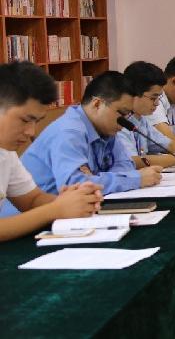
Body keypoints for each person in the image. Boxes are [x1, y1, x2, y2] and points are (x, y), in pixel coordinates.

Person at [0, 62, 103, 241]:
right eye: (25, 120)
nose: (31, 132)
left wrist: (76, 200)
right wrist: (56, 209)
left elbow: (32, 200)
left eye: (36, 121)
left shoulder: (6, 153)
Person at [22, 71, 163, 195]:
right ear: (97, 104)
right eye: (122, 113)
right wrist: (134, 180)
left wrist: (97, 179)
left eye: (129, 114)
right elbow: (75, 186)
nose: (125, 121)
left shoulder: (106, 128)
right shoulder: (69, 132)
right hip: (35, 214)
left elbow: (125, 164)